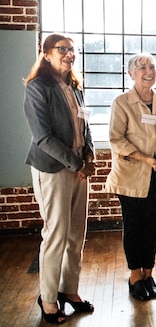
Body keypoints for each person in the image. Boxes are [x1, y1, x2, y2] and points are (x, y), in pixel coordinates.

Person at [23, 33, 96, 324]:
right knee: (55, 234)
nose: (69, 54)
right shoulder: (37, 87)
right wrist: (77, 162)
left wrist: (89, 153)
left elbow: (84, 124)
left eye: (72, 50)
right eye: (62, 49)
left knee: (76, 233)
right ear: (47, 53)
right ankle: (49, 299)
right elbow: (43, 138)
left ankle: (70, 291)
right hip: (52, 168)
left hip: (79, 166)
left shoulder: (74, 86)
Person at [105, 53, 156, 301]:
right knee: (134, 227)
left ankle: (149, 274)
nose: (148, 71)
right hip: (131, 177)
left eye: (152, 66)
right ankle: (135, 276)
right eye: (142, 67)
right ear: (131, 73)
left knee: (152, 227)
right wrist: (145, 158)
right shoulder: (121, 102)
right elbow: (116, 139)